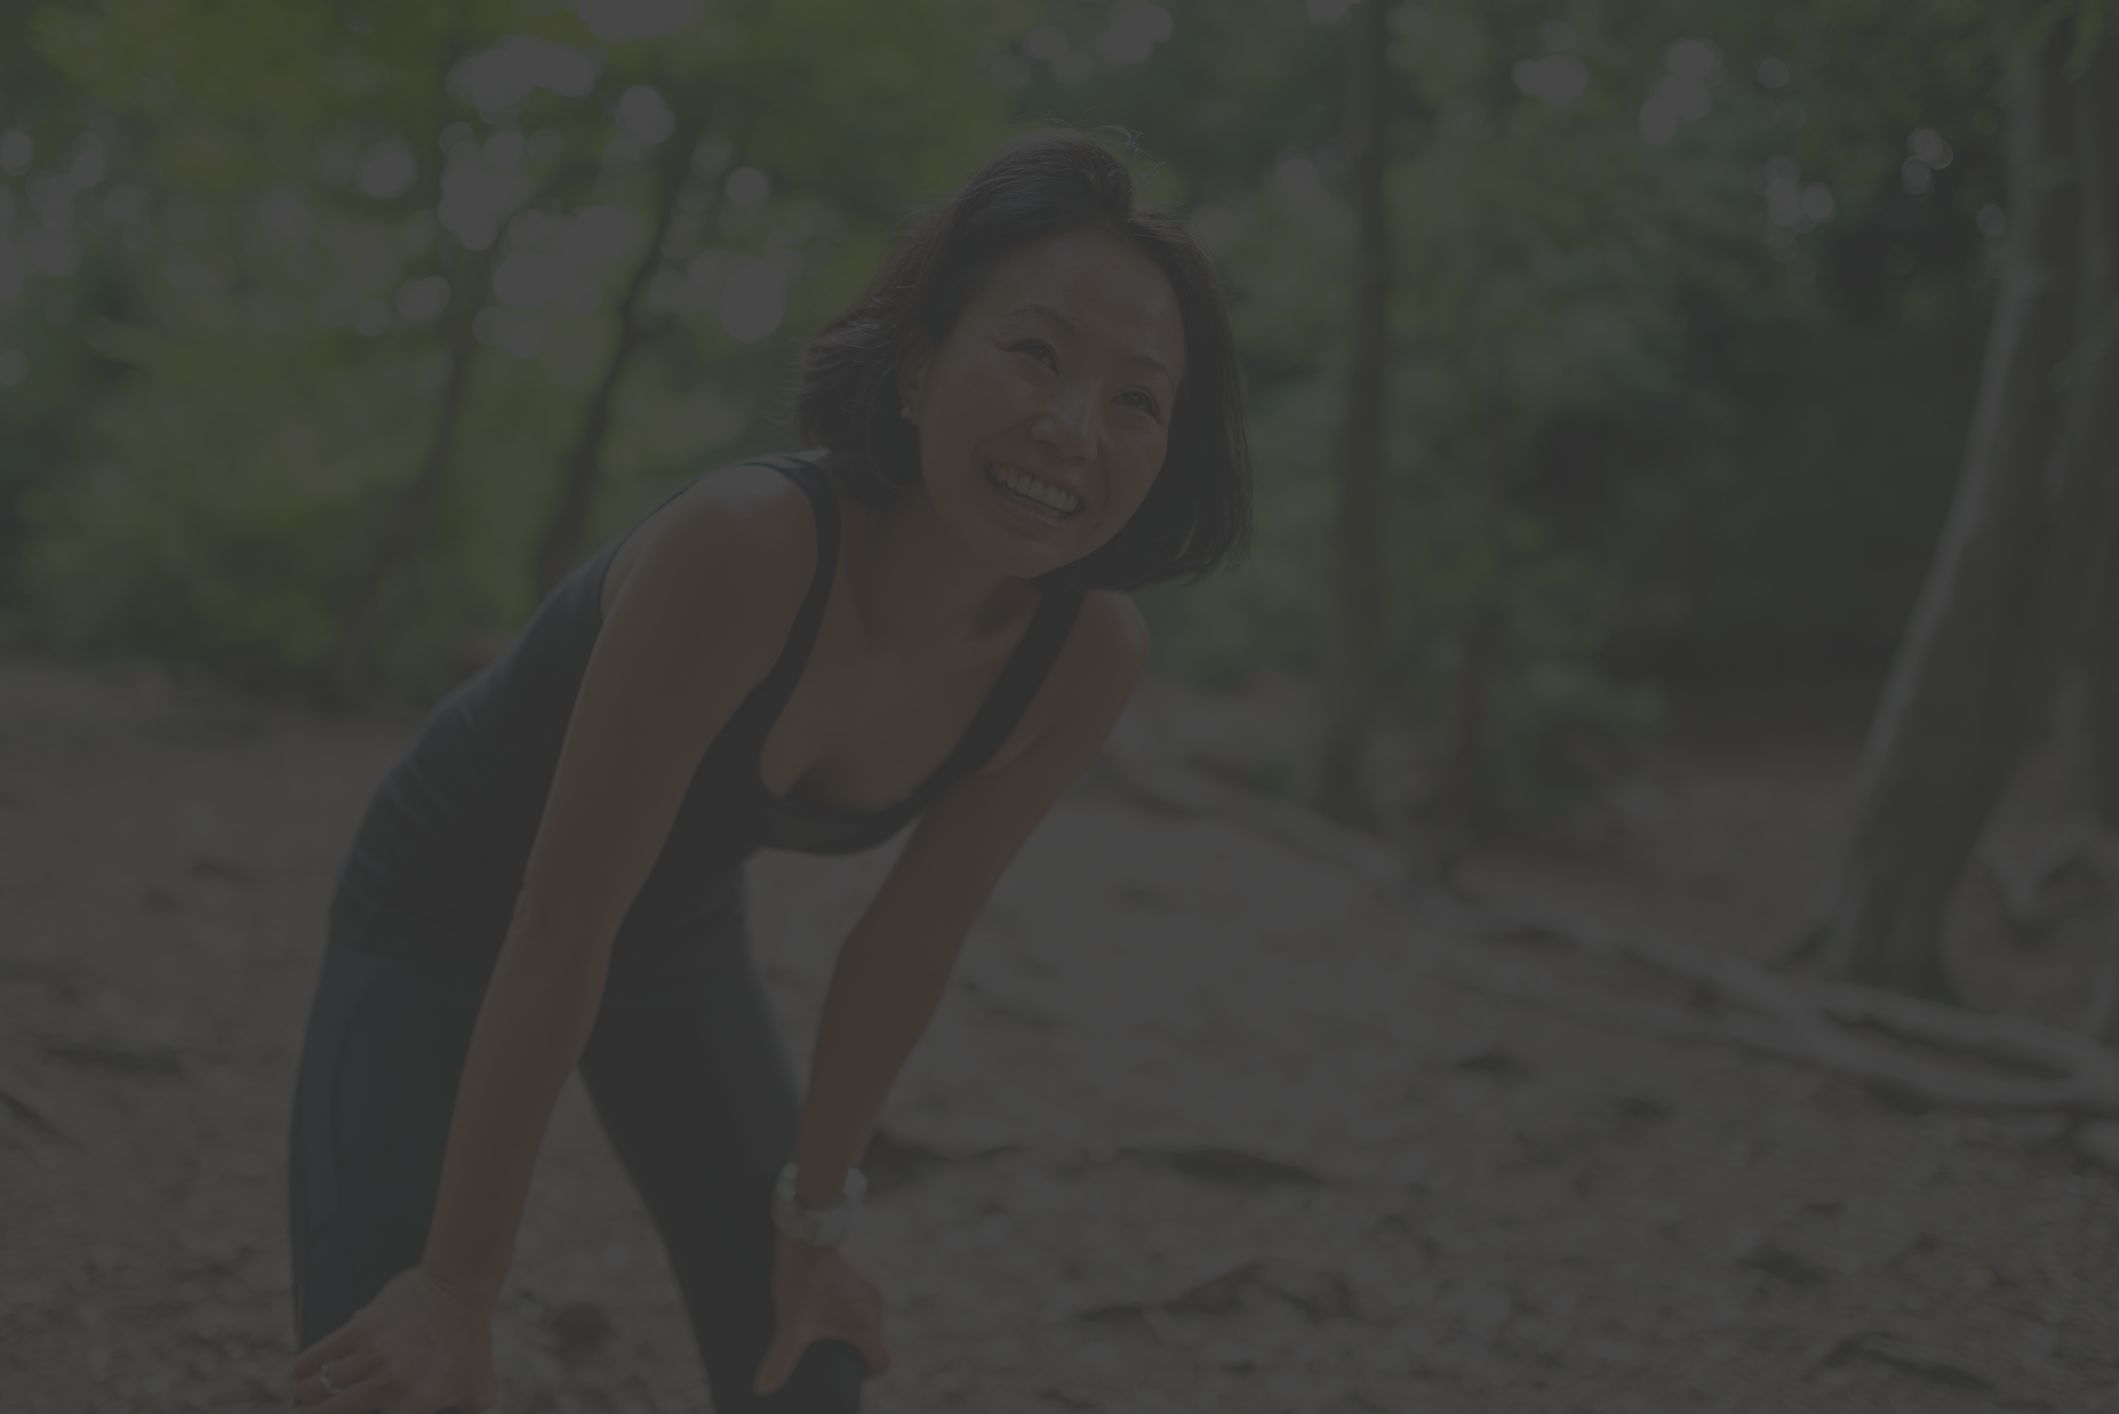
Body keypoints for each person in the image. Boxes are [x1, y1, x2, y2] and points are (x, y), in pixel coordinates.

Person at [283, 126, 1251, 1413]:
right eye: (1033, 354)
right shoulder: (747, 545)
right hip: (448, 908)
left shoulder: (1083, 657)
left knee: (811, 1359)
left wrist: (817, 1218)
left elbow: (905, 945)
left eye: (1135, 398)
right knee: (387, 1379)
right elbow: (563, 910)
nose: (1074, 429)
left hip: (673, 937)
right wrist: (462, 1285)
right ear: (916, 366)